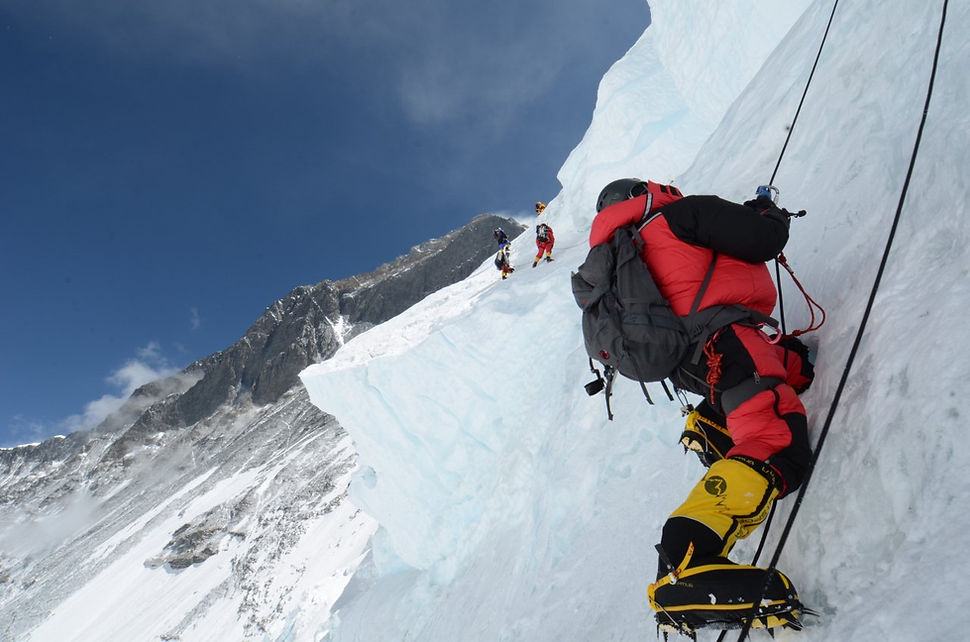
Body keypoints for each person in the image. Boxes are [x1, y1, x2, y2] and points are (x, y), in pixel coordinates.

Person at [589, 178, 815, 631]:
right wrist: (767, 214)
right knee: (775, 438)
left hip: (691, 365)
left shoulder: (613, 261)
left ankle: (714, 426)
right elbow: (763, 239)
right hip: (724, 342)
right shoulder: (678, 215)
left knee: (794, 367)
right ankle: (684, 562)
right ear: (645, 190)